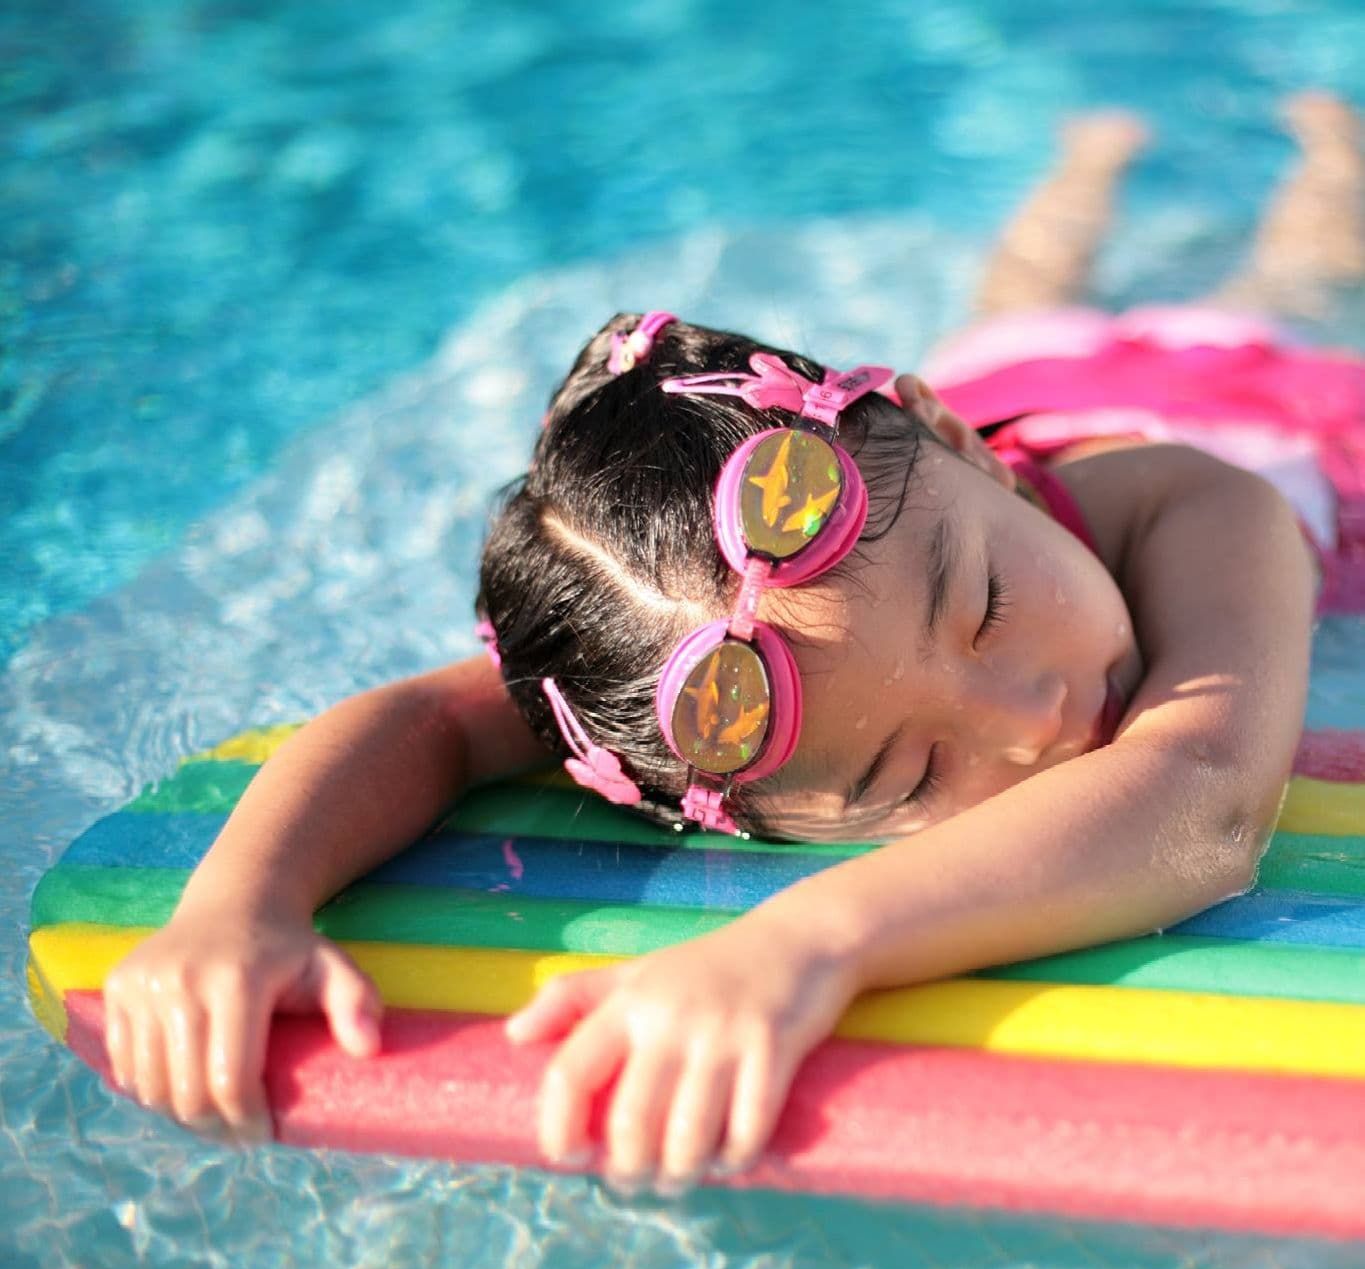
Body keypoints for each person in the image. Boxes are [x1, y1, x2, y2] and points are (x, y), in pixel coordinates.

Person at [103, 96, 1363, 1196]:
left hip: (1250, 397)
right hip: (956, 462)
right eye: (902, 780)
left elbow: (1202, 803)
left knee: (1265, 286)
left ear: (961, 444)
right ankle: (1105, 166)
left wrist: (807, 940)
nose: (1032, 717)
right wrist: (239, 909)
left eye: (983, 604)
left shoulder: (1202, 505)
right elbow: (435, 722)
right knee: (1065, 303)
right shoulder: (760, 637)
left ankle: (1267, 158)